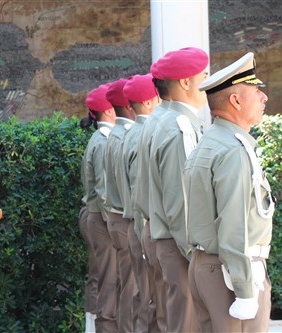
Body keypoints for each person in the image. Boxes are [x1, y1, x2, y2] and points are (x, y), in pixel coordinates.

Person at [183, 52, 274, 332]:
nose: (264, 97)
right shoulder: (233, 150)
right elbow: (235, 226)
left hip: (205, 267)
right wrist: (245, 290)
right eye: (256, 91)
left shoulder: (210, 142)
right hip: (231, 275)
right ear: (235, 101)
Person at [148, 47, 209, 332]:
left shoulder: (162, 118)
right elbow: (180, 200)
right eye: (204, 76)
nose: (207, 84)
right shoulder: (178, 126)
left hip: (168, 241)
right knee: (186, 325)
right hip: (180, 245)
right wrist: (194, 253)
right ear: (186, 82)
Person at [120, 73, 161, 333]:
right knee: (150, 306)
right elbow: (140, 193)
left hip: (139, 228)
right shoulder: (144, 133)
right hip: (144, 228)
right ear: (147, 103)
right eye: (157, 97)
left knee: (148, 303)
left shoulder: (133, 132)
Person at [133, 61, 171, 333]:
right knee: (167, 313)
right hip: (157, 230)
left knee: (152, 305)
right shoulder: (167, 127)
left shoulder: (144, 129)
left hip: (147, 227)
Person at [80, 84, 118, 333]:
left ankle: (93, 327)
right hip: (101, 219)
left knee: (100, 277)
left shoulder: (101, 138)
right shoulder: (105, 142)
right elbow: (105, 193)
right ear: (109, 110)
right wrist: (115, 227)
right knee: (108, 281)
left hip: (94, 217)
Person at [103, 78, 138, 333]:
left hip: (118, 217)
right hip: (126, 220)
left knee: (130, 286)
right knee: (133, 288)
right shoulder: (124, 135)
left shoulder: (115, 134)